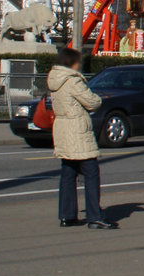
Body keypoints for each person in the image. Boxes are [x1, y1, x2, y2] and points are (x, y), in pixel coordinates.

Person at [48, 48, 117, 229]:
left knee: (68, 172)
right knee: (91, 172)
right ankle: (94, 216)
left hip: (62, 127)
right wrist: (98, 98)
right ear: (73, 63)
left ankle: (66, 215)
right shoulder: (72, 81)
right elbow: (92, 101)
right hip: (77, 128)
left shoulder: (54, 79)